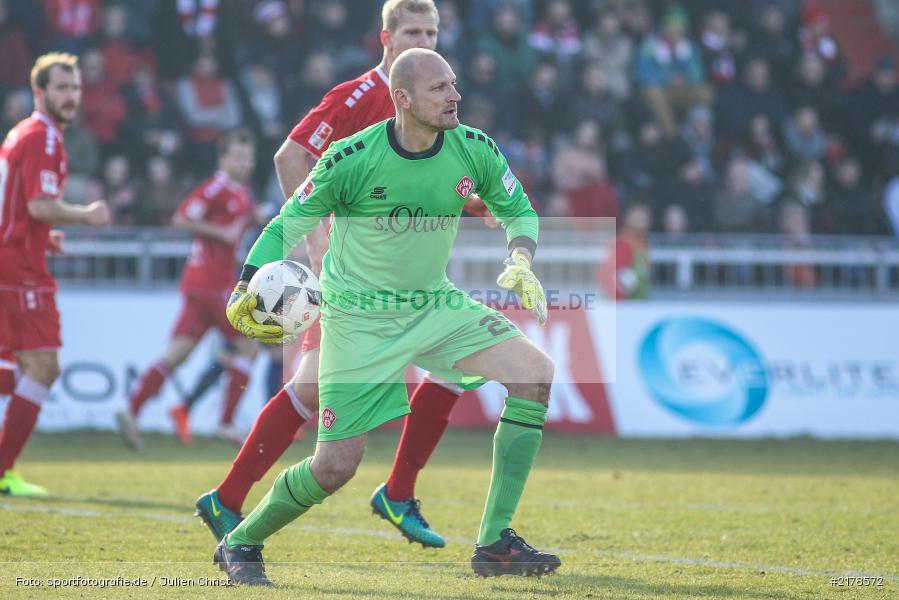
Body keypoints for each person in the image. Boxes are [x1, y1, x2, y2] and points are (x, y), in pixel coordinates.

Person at [214, 48, 559, 585]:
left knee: (535, 374)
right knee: (336, 467)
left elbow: (519, 208)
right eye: (440, 88)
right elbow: (288, 220)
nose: (455, 96)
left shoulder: (474, 149)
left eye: (454, 84)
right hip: (358, 318)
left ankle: (494, 544)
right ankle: (242, 541)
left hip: (435, 304)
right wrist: (245, 279)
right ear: (402, 99)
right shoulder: (351, 157)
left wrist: (520, 255)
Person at [193, 0, 492, 551]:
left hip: (405, 276)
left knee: (438, 369)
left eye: (432, 31)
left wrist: (477, 205)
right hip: (358, 279)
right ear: (386, 37)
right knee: (323, 398)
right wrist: (315, 239)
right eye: (413, 31)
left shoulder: (431, 98)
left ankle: (232, 498)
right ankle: (385, 494)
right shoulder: (359, 96)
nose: (424, 39)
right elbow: (290, 157)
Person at [0, 53, 110, 496]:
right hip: (19, 271)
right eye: (62, 88)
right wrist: (87, 214)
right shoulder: (43, 137)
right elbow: (37, 206)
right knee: (42, 367)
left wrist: (43, 236)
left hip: (17, 259)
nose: (71, 96)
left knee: (29, 366)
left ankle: (3, 469)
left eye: (76, 88)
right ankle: (4, 470)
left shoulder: (24, 134)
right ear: (39, 92)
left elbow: (17, 208)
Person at [115, 129, 259, 450]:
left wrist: (249, 223)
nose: (244, 162)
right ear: (222, 159)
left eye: (248, 157)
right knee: (252, 342)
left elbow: (235, 227)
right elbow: (182, 218)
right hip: (212, 284)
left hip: (201, 284)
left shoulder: (241, 192)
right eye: (237, 156)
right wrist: (222, 232)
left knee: (177, 354)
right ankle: (225, 421)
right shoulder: (216, 188)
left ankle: (132, 408)